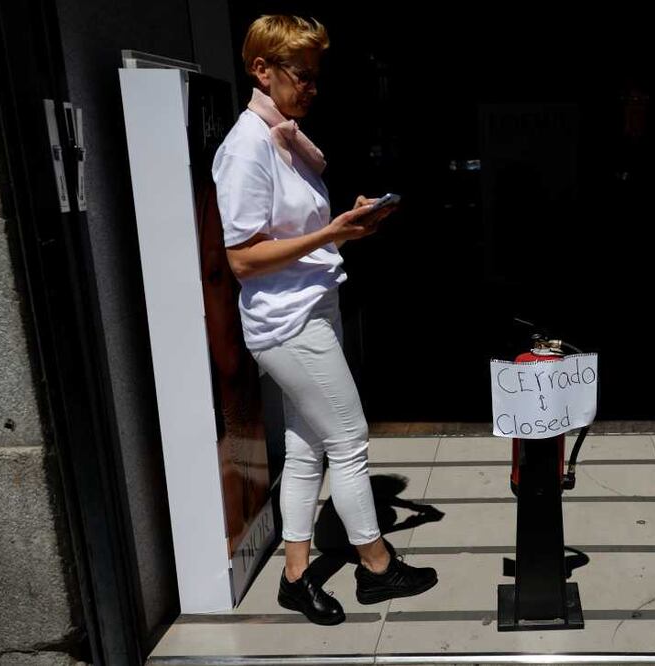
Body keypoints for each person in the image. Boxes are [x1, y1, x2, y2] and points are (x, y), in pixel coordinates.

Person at [212, 15, 437, 625]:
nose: (311, 87)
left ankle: (294, 575)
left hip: (311, 308)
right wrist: (330, 232)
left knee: (309, 448)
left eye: (316, 76)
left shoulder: (283, 138)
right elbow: (243, 258)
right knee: (350, 441)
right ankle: (376, 566)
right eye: (299, 75)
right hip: (289, 324)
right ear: (261, 70)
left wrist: (346, 227)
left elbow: (296, 236)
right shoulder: (246, 148)